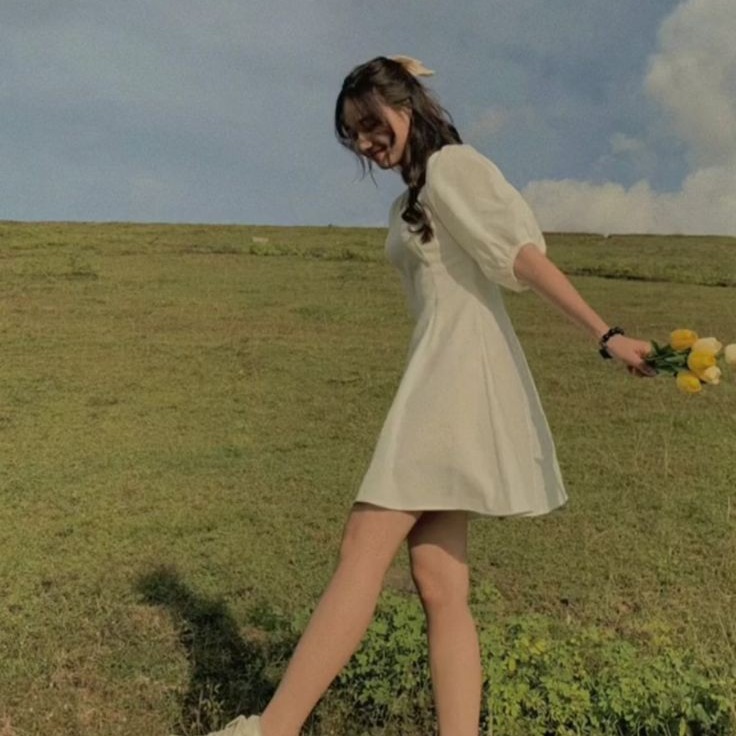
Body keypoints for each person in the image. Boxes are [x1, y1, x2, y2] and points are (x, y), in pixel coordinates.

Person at [190, 55, 655, 736]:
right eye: (353, 134)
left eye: (371, 124)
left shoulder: (451, 169)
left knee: (364, 544)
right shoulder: (413, 195)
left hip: (453, 378)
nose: (365, 143)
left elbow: (520, 257)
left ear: (406, 108)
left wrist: (605, 333)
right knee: (440, 584)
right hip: (441, 372)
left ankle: (272, 730)